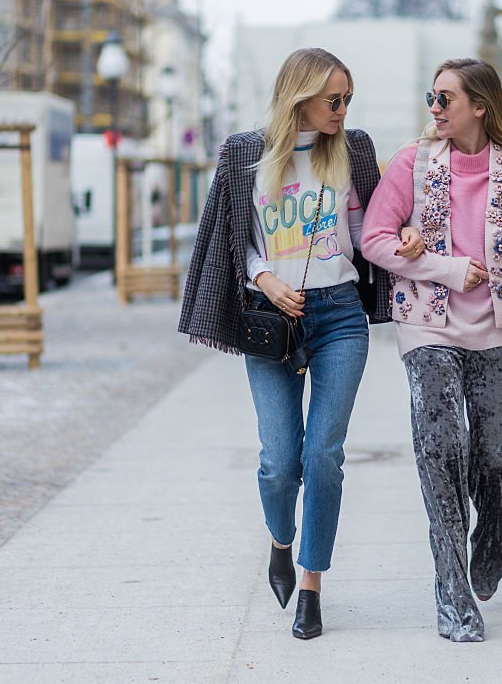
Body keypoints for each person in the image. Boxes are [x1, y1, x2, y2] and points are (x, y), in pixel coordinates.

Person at [178, 48, 422, 640]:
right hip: (271, 317)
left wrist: (404, 237)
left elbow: (367, 233)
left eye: (347, 99)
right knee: (280, 462)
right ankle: (280, 542)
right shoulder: (245, 156)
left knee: (324, 455)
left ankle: (312, 585)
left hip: (339, 316)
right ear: (300, 98)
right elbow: (237, 240)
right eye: (332, 99)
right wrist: (264, 278)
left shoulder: (353, 150)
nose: (341, 110)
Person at [362, 58, 502, 642]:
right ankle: (453, 597)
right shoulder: (411, 163)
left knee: (492, 458)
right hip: (427, 329)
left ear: (480, 105)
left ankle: (495, 528)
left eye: (446, 98)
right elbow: (374, 239)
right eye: (432, 96)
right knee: (439, 453)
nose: (435, 107)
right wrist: (446, 268)